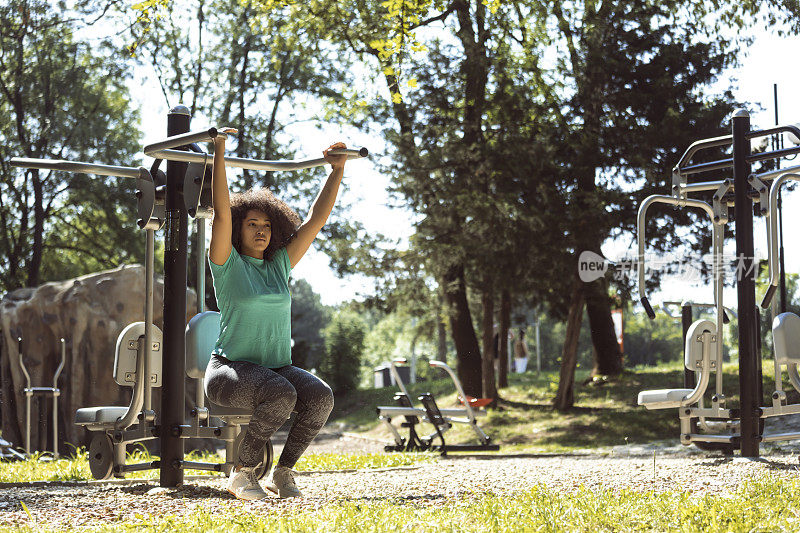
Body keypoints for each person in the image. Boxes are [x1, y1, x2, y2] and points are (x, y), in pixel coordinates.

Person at [204, 128, 345, 501]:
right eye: (252, 224)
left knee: (320, 397)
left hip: (275, 368)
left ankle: (282, 473)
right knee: (281, 393)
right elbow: (220, 211)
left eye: (267, 225)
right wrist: (218, 149)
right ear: (238, 229)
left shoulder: (280, 264)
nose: (261, 231)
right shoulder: (227, 261)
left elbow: (315, 220)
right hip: (229, 370)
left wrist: (336, 170)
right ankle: (242, 473)